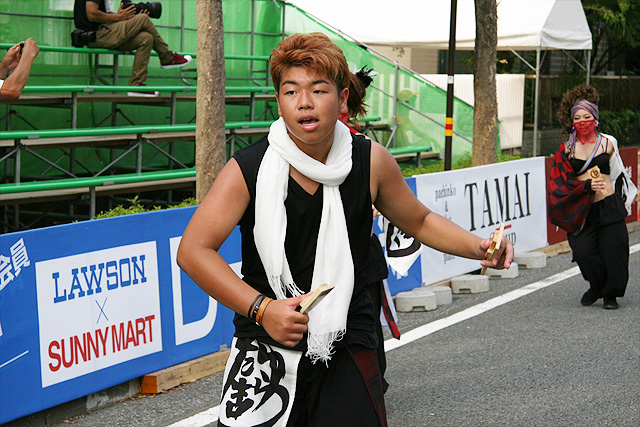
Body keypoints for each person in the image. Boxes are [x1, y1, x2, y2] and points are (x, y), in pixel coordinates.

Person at [177, 32, 513, 426]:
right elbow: (193, 251)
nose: (304, 102)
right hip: (267, 338)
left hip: (347, 337)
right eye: (291, 91)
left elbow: (419, 220)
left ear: (342, 98)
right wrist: (262, 309)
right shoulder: (247, 169)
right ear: (278, 101)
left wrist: (478, 248)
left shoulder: (370, 161)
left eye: (318, 90)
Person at [548, 84, 637, 310]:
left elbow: (617, 173)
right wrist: (585, 186)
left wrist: (625, 197)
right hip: (581, 209)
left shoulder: (608, 142)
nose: (582, 121)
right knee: (583, 252)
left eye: (587, 116)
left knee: (615, 252)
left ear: (595, 118)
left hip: (608, 204)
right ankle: (597, 286)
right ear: (571, 121)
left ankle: (610, 295)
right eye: (577, 117)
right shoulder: (567, 148)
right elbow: (562, 181)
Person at [73, 0, 192, 96]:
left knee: (146, 38)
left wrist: (120, 16)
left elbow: (98, 15)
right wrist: (117, 17)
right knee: (143, 18)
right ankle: (167, 58)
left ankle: (136, 85)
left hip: (102, 33)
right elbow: (92, 14)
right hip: (96, 35)